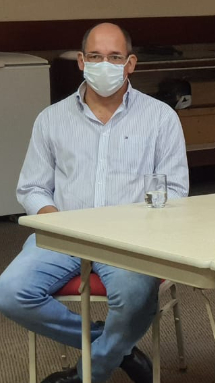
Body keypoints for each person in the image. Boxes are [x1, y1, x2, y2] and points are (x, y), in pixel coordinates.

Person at [0, 23, 189, 383]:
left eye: (115, 57)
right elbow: (32, 187)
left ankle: (91, 371)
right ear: (81, 61)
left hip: (129, 239)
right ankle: (116, 345)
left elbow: (176, 190)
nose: (105, 65)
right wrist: (53, 219)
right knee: (10, 293)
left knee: (137, 298)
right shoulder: (51, 119)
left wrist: (145, 227)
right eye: (96, 56)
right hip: (64, 231)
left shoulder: (161, 118)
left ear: (130, 63)